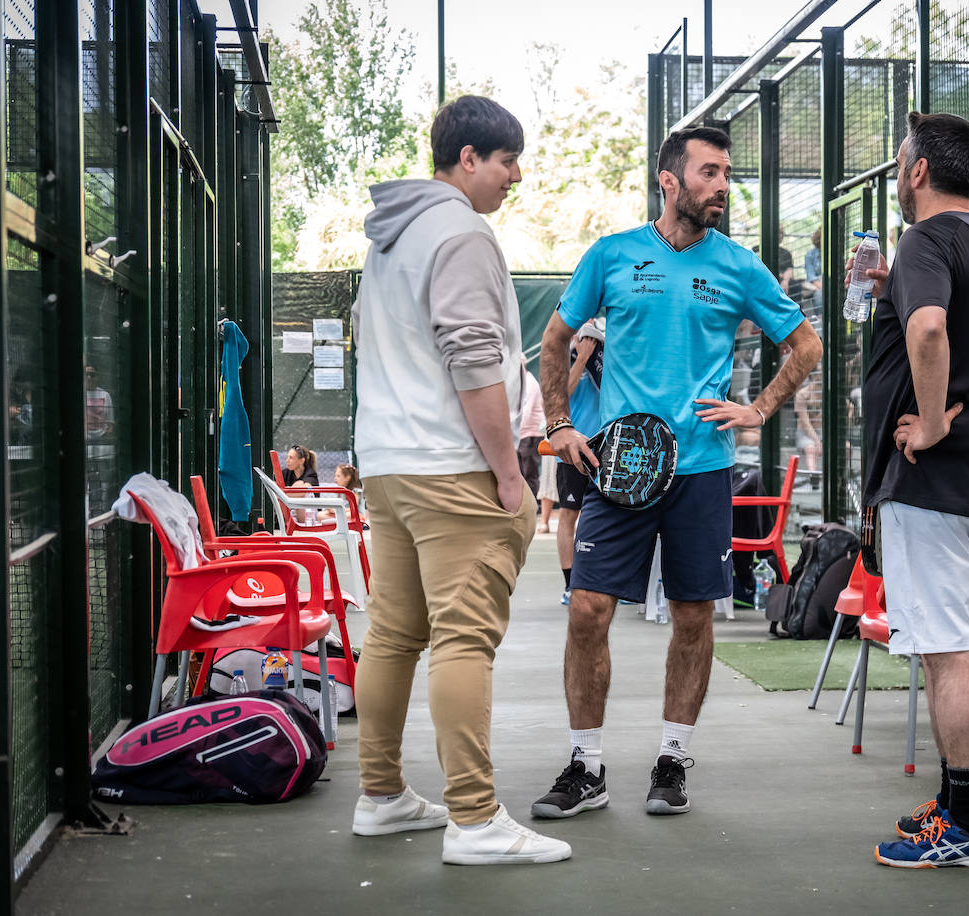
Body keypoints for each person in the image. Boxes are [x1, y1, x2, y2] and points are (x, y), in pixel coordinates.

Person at [533, 125, 822, 822]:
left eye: (726, 174)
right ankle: (585, 766)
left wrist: (758, 407)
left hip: (702, 471)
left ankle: (671, 757)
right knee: (587, 612)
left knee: (693, 617)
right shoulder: (612, 255)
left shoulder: (739, 267)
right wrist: (559, 424)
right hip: (620, 468)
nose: (723, 185)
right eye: (710, 172)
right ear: (670, 180)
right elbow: (554, 338)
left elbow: (805, 344)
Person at [348, 95, 570, 865]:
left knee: (396, 633)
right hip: (451, 468)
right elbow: (474, 356)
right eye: (506, 160)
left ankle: (380, 796)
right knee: (463, 640)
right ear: (467, 160)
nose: (515, 176)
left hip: (389, 464)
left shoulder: (392, 238)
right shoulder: (462, 233)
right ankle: (474, 821)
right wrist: (510, 471)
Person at [859, 111, 969, 868]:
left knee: (949, 650)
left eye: (899, 165)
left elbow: (930, 330)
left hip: (937, 475)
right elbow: (944, 319)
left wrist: (925, 425)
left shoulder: (924, 237)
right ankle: (957, 806)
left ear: (917, 171)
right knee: (945, 647)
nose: (897, 178)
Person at [555, 321, 604, 605]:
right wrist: (582, 357)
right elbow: (562, 394)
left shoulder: (606, 357)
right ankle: (569, 584)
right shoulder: (565, 355)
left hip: (605, 448)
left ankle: (608, 580)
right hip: (573, 447)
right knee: (569, 514)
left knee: (612, 515)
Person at [517, 359, 545, 499]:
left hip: (531, 435)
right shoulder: (521, 382)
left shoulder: (530, 383)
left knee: (530, 474)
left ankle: (532, 506)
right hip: (523, 435)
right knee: (522, 474)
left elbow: (527, 412)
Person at [85, 365, 113, 439]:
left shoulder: (105, 395)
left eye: (92, 375)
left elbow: (110, 423)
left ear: (97, 377)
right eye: (86, 374)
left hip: (102, 439)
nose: (89, 377)